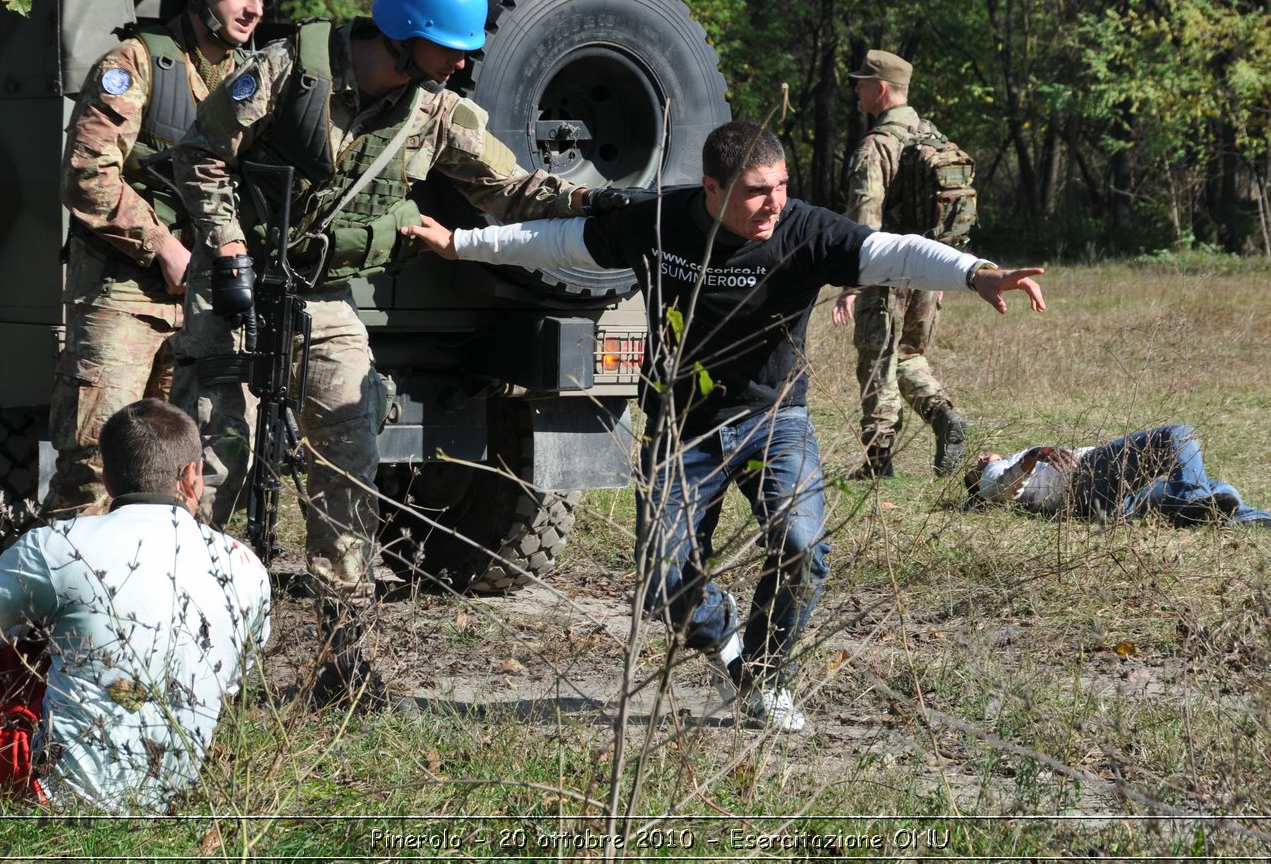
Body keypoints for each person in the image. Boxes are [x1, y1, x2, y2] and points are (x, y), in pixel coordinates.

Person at [401, 119, 1046, 731]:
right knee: (663, 582)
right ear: (712, 189)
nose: (776, 203)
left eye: (783, 186)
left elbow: (892, 252)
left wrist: (975, 271)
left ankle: (765, 675)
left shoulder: (805, 231)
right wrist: (461, 245)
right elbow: (560, 241)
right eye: (758, 191)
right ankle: (724, 634)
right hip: (683, 426)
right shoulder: (657, 222)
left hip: (776, 419)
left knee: (802, 545)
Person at [170, 0, 618, 705]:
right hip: (242, 291)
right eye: (452, 45)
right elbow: (200, 156)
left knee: (348, 460)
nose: (464, 61)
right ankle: (183, 643)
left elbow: (507, 188)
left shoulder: (435, 107)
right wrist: (228, 244)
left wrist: (593, 205)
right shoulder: (287, 72)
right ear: (406, 33)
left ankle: (344, 660)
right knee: (215, 464)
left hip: (329, 298)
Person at [0, 399, 271, 812]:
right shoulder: (246, 566)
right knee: (26, 656)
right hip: (172, 784)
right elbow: (233, 678)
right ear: (192, 474)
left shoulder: (62, 545)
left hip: (60, 787)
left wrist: (27, 616)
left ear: (108, 480)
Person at [43, 0, 277, 518]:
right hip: (125, 292)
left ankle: (170, 604)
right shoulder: (135, 63)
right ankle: (65, 605)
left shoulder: (257, 80)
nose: (253, 7)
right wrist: (161, 246)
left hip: (209, 302)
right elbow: (88, 176)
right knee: (95, 467)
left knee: (190, 477)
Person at [831, 49, 969, 480]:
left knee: (876, 358)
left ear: (882, 89)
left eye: (862, 82)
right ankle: (945, 417)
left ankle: (878, 461)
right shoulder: (934, 137)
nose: (856, 89)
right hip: (932, 266)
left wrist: (851, 280)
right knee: (907, 354)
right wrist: (946, 266)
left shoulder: (879, 144)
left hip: (886, 264)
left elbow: (865, 217)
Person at [964, 423, 1271, 529]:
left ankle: (1260, 521)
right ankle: (1190, 499)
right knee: (1177, 435)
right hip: (1090, 479)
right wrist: (1036, 454)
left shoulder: (1010, 466)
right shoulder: (994, 473)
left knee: (1216, 489)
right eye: (978, 462)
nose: (982, 457)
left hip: (1117, 504)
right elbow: (998, 487)